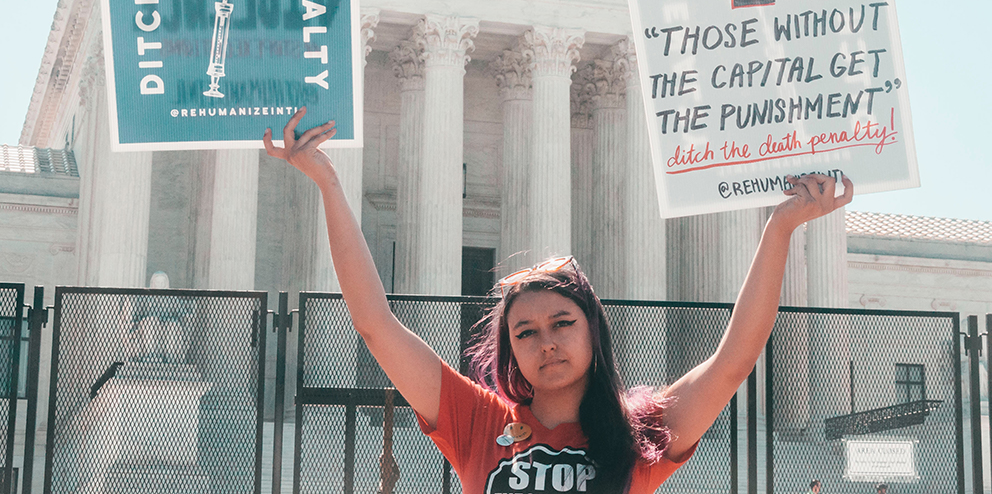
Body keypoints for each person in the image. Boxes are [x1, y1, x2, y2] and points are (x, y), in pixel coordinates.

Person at [264, 108, 852, 494]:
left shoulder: (640, 434)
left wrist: (779, 229)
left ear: (593, 330)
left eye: (562, 322)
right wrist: (329, 185)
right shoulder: (478, 423)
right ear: (508, 352)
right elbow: (374, 324)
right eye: (524, 332)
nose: (546, 341)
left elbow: (734, 361)